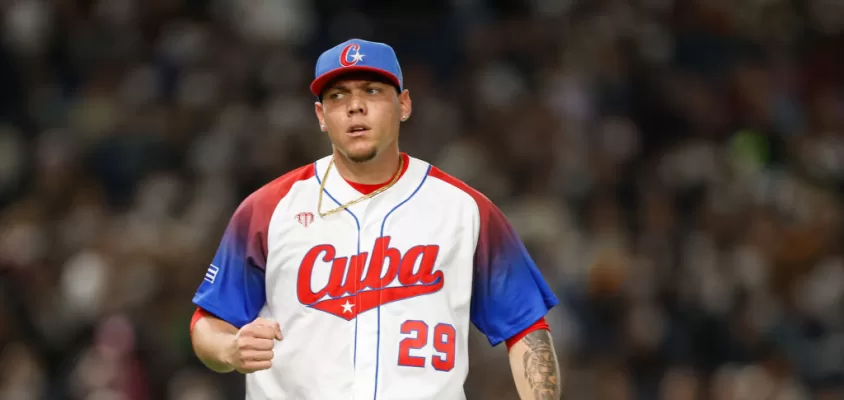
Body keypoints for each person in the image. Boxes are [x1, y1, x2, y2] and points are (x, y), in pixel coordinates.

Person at [189, 38, 562, 400]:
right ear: (321, 116)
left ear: (404, 104)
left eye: (371, 91)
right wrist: (230, 349)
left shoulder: (465, 210)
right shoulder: (269, 208)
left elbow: (527, 329)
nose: (355, 107)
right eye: (337, 96)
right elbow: (209, 322)